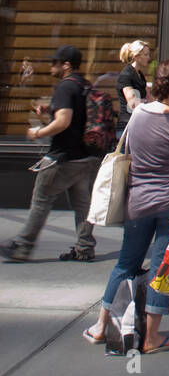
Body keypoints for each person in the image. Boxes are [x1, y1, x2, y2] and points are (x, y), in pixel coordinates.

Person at [83, 58, 169, 354]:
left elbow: (130, 150)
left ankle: (100, 326)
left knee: (125, 264)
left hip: (139, 201)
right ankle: (151, 336)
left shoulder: (139, 116)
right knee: (164, 268)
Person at [1, 45, 100, 263]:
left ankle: (23, 247)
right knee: (82, 204)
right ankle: (84, 247)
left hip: (63, 157)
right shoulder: (84, 84)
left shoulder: (65, 87)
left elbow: (64, 122)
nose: (50, 66)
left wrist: (38, 132)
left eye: (54, 62)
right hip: (85, 157)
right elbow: (76, 114)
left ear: (66, 65)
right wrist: (50, 109)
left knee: (42, 199)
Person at [116, 40, 152, 133]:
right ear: (136, 56)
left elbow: (149, 97)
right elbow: (132, 103)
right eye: (145, 55)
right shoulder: (126, 75)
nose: (149, 57)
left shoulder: (140, 75)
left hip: (138, 124)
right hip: (127, 126)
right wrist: (147, 102)